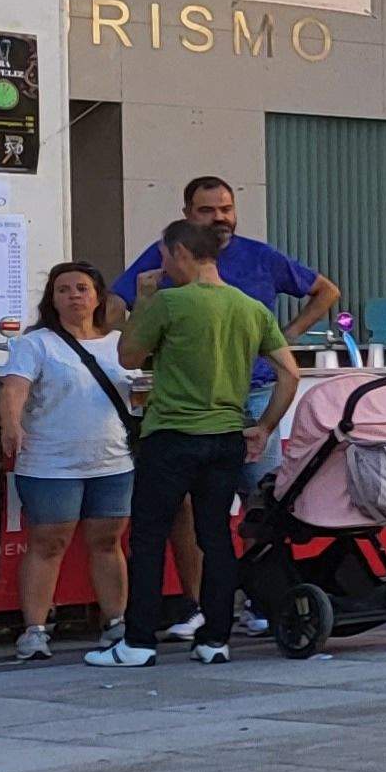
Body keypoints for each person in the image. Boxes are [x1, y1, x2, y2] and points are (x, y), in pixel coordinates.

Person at [113, 176, 335, 639]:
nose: (220, 218)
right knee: (200, 520)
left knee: (261, 508)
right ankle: (202, 613)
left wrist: (286, 336)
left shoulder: (260, 256)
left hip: (245, 398)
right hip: (198, 407)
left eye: (227, 208)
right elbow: (116, 303)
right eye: (208, 210)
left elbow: (326, 291)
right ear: (187, 215)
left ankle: (261, 600)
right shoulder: (165, 257)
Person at [89, 222, 298, 668]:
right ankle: (216, 638)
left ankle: (139, 642)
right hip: (226, 435)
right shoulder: (249, 307)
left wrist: (143, 300)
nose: (162, 267)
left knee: (148, 537)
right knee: (216, 536)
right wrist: (263, 425)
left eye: (164, 257)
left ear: (181, 252)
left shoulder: (168, 302)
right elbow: (290, 373)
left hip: (171, 435)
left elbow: (128, 355)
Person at [0, 263, 133, 662]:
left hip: (112, 461)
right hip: (50, 463)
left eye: (82, 288)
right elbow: (14, 389)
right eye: (63, 289)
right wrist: (12, 425)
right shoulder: (36, 344)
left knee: (107, 542)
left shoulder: (120, 343)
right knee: (48, 543)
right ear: (51, 299)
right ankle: (35, 629)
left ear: (99, 296)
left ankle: (116, 623)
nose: (74, 295)